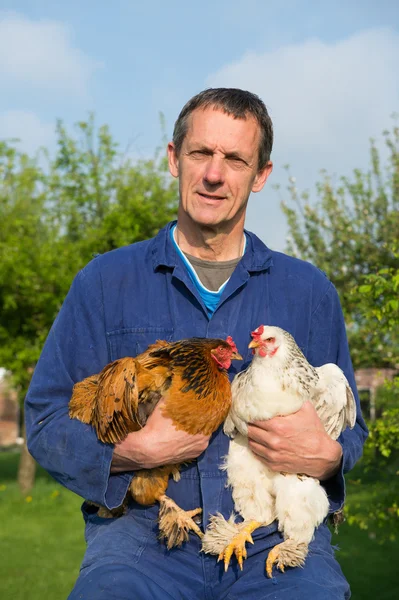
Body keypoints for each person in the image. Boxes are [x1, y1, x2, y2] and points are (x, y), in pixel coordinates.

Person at [25, 88, 368, 599]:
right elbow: (45, 419)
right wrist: (127, 450)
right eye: (201, 153)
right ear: (173, 159)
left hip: (276, 530)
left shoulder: (309, 292)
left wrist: (328, 457)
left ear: (262, 175)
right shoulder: (105, 282)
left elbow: (351, 428)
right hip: (141, 535)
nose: (214, 173)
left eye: (235, 159)